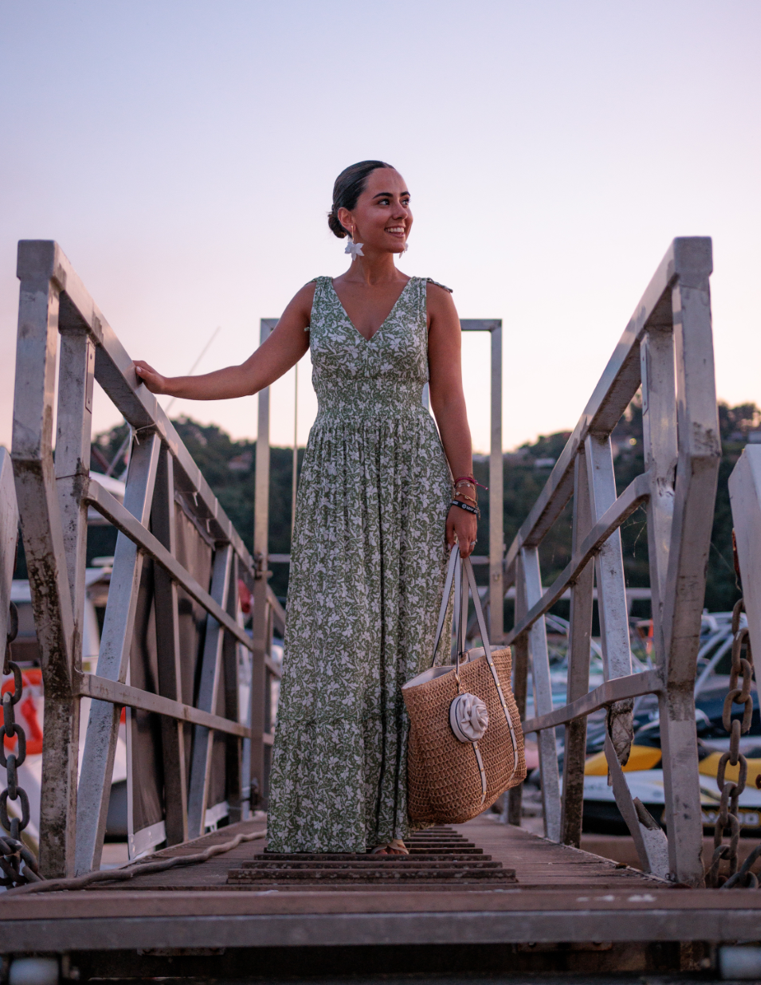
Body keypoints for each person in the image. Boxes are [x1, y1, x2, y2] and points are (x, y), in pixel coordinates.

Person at [134, 160, 479, 855]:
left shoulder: (434, 300)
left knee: (406, 644)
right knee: (336, 644)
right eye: (384, 201)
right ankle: (330, 815)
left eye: (405, 200)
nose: (400, 212)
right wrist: (170, 383)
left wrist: (464, 492)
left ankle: (391, 824)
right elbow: (251, 373)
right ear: (348, 218)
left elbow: (448, 399)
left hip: (413, 479)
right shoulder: (315, 298)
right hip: (334, 486)